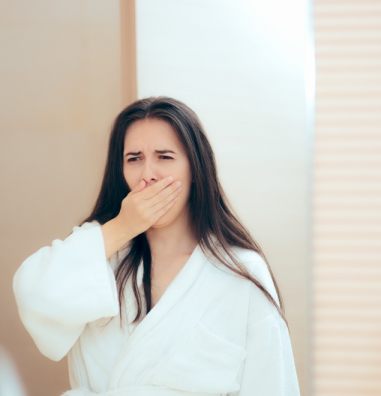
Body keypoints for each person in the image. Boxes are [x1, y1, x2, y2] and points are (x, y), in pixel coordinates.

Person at [13, 96, 301, 395]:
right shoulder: (101, 253)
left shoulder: (239, 271)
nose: (147, 174)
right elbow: (34, 296)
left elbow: (272, 383)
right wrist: (122, 227)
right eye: (134, 159)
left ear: (195, 170)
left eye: (164, 157)